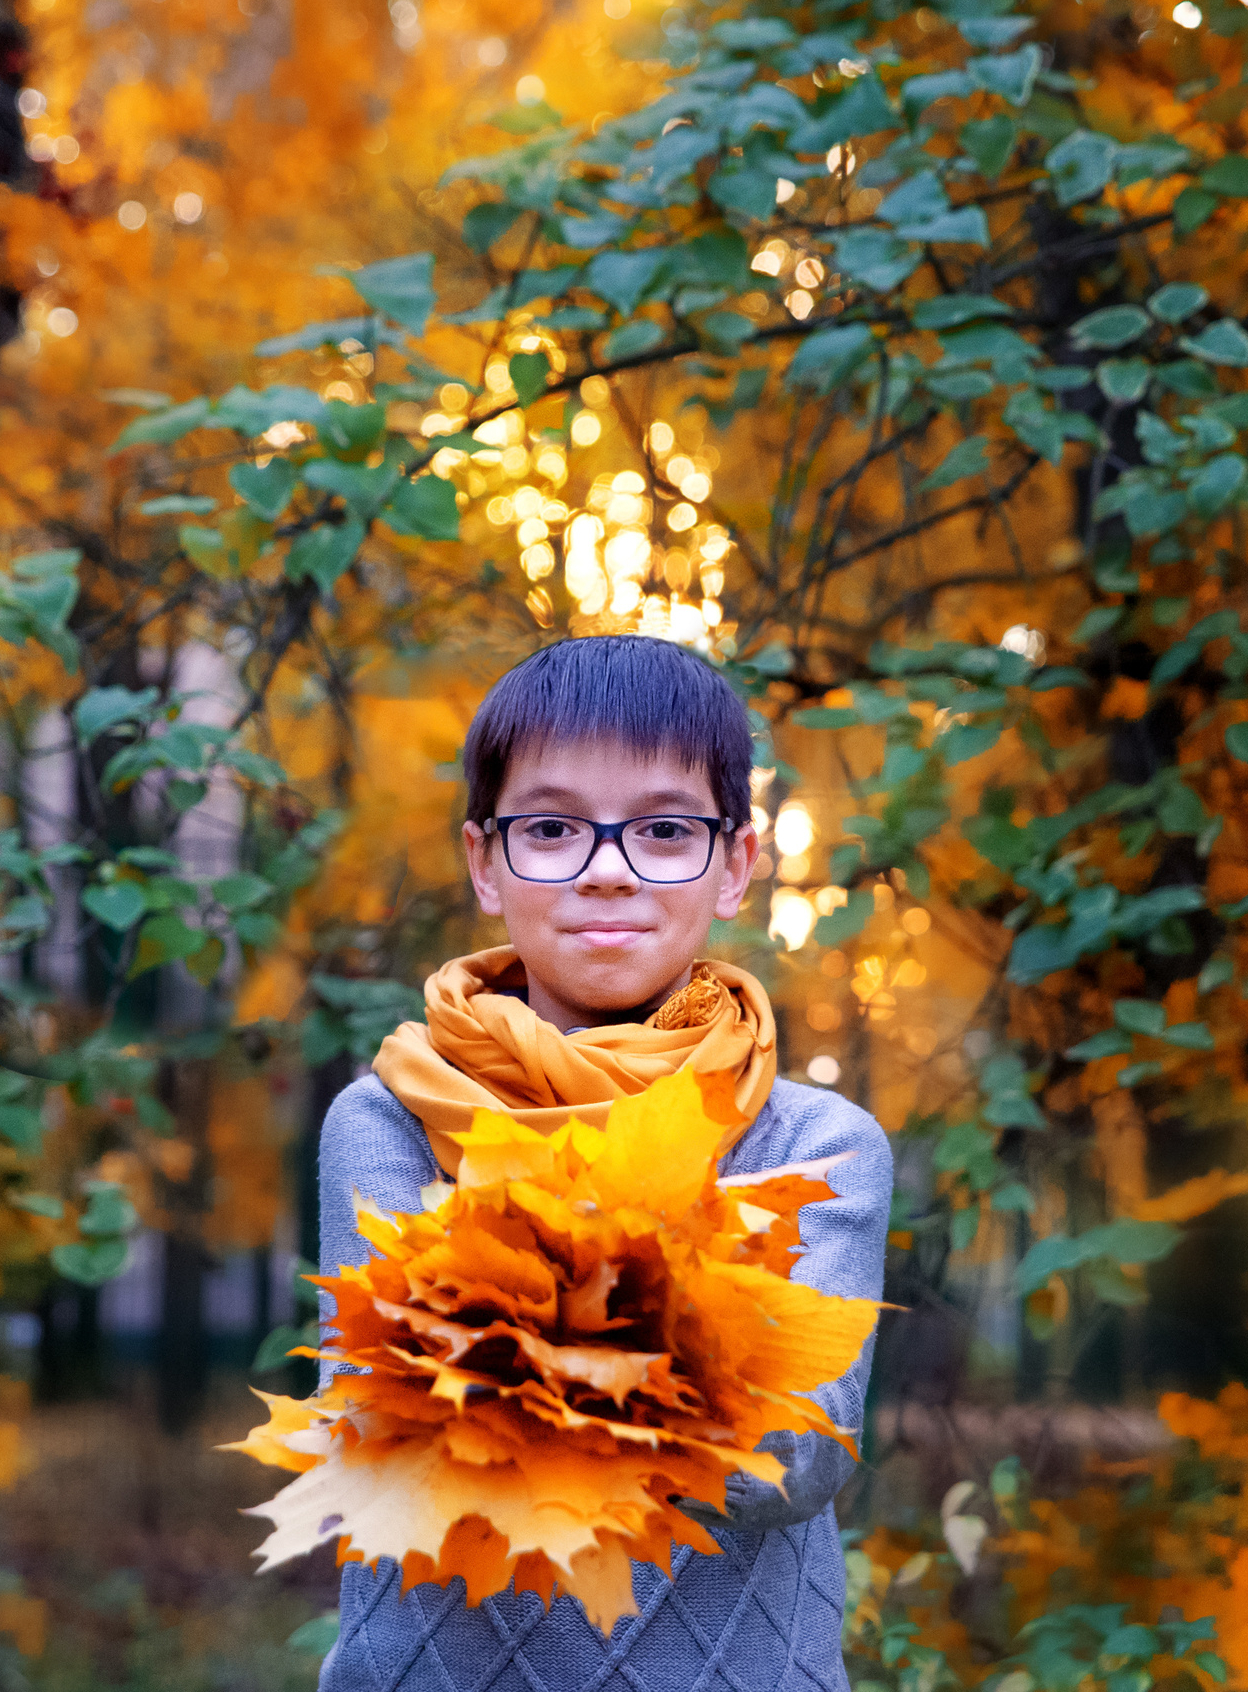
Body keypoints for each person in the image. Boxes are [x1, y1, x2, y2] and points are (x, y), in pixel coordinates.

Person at [312, 633, 894, 1692]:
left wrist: (502, 1330)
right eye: (551, 828)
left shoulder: (819, 1143)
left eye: (664, 830)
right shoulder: (390, 1120)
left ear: (733, 865)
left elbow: (796, 1458)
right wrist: (695, 1329)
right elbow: (378, 1424)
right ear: (485, 862)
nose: (609, 869)